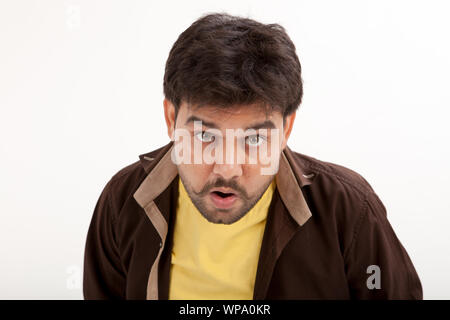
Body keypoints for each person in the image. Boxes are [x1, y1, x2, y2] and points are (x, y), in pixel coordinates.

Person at [83, 12, 422, 299]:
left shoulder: (348, 208)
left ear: (286, 130)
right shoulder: (123, 201)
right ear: (171, 119)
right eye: (204, 135)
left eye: (255, 138)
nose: (228, 168)